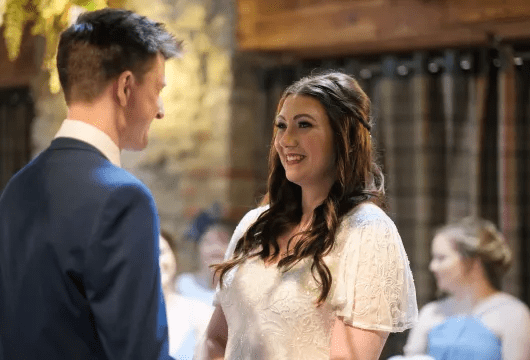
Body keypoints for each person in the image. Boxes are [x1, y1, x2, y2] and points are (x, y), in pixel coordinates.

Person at [197, 71, 418, 360]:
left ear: (343, 137)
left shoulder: (367, 230)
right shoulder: (254, 225)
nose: (286, 139)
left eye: (304, 125)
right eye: (281, 125)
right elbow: (216, 339)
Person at [0, 8, 181, 359]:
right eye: (157, 88)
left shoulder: (17, 188)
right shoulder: (123, 198)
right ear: (126, 87)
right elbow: (139, 353)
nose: (160, 109)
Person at [400, 217, 530, 360]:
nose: (433, 267)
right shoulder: (430, 313)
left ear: (473, 263)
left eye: (441, 258)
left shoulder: (513, 314)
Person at [159, 230, 214, 359]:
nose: (155, 260)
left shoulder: (200, 314)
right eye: (144, 254)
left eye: (161, 252)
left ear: (174, 258)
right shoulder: (119, 316)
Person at [176, 208, 234, 307]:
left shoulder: (239, 290)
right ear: (197, 248)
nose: (216, 249)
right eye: (209, 242)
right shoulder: (183, 285)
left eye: (223, 241)